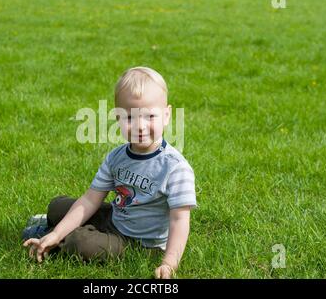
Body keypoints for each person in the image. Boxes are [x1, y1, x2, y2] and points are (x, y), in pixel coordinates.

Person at [23, 67, 197, 279]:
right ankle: (54, 228)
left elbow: (180, 221)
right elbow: (89, 200)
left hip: (139, 242)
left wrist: (169, 263)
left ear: (167, 115)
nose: (140, 126)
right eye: (130, 117)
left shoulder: (175, 168)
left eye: (150, 116)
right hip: (116, 217)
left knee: (81, 242)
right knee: (57, 206)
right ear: (118, 118)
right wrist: (60, 231)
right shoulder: (117, 157)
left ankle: (49, 237)